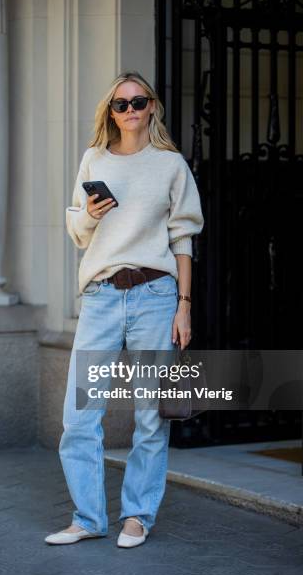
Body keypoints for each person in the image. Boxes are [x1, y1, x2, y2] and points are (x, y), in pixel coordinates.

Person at [45, 71, 204, 548]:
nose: (130, 110)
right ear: (110, 112)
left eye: (138, 101)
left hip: (156, 295)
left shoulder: (171, 165)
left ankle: (137, 516)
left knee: (150, 415)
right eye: (121, 104)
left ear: (152, 107)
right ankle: (88, 518)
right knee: (79, 415)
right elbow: (76, 225)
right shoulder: (94, 158)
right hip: (101, 296)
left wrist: (184, 307)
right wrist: (88, 215)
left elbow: (183, 237)